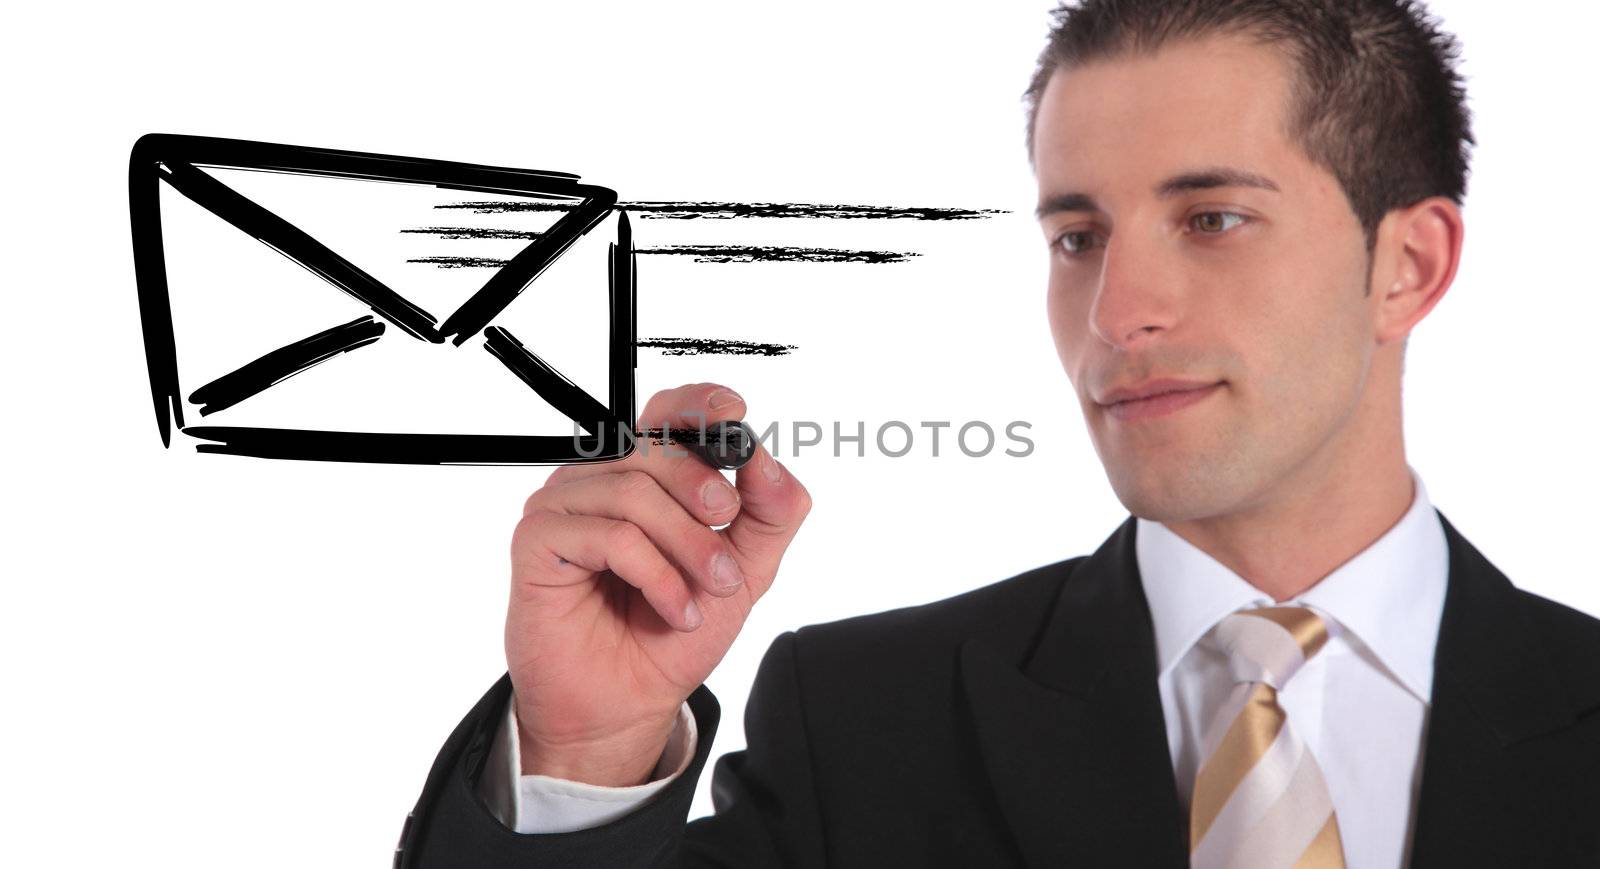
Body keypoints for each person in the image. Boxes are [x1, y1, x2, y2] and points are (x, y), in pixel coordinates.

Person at [394, 1, 1600, 866]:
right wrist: (587, 751)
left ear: (1409, 264)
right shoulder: (865, 722)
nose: (1117, 312)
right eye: (1077, 236)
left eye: (1213, 218)